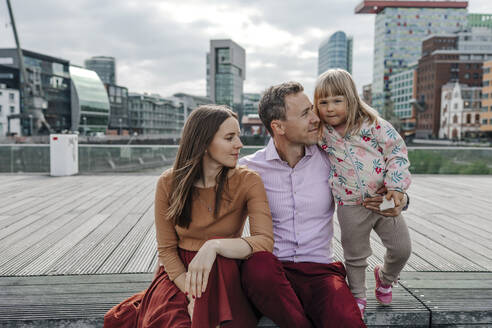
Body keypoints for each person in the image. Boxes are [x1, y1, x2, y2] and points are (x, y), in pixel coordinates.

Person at [239, 81, 408, 327]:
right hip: (272, 271)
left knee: (346, 320)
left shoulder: (334, 159)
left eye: (312, 109)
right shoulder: (249, 169)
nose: (316, 118)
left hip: (320, 272)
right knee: (258, 266)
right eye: (306, 113)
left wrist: (399, 202)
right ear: (278, 126)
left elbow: (374, 187)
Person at [104, 105, 274, 328]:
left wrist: (213, 246)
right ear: (203, 143)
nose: (239, 145)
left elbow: (264, 241)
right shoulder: (168, 183)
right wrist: (193, 293)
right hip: (178, 274)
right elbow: (166, 250)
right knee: (170, 322)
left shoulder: (248, 181)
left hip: (223, 268)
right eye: (230, 137)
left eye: (238, 137)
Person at [314, 69, 412, 315]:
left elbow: (397, 152)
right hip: (350, 204)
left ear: (351, 99)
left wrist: (396, 187)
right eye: (323, 102)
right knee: (355, 254)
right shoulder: (321, 132)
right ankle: (357, 295)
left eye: (337, 100)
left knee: (401, 248)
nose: (330, 108)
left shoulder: (373, 125)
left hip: (383, 199)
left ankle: (385, 277)